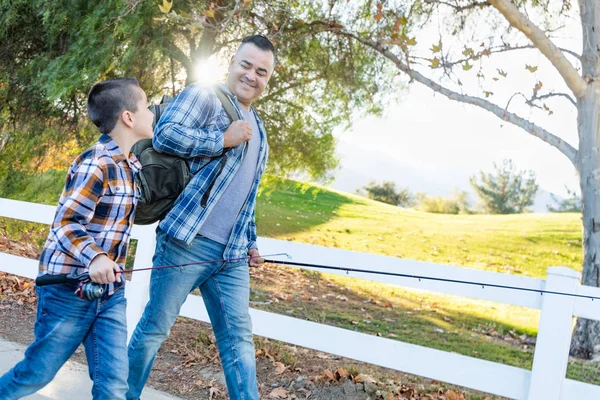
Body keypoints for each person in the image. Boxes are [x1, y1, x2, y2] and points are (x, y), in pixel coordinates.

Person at [127, 35, 276, 400]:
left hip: (231, 257)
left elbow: (246, 195)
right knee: (155, 329)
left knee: (238, 340)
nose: (251, 75)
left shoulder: (261, 131)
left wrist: (250, 242)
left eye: (261, 71)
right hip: (185, 243)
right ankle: (118, 395)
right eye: (246, 64)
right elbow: (164, 135)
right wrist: (221, 139)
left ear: (268, 78)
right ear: (231, 62)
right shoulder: (203, 95)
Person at [0, 78, 154, 399]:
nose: (152, 113)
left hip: (109, 294)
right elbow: (66, 222)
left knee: (114, 385)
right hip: (68, 289)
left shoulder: (130, 166)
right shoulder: (96, 163)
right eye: (147, 106)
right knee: (36, 373)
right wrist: (96, 257)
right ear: (128, 117)